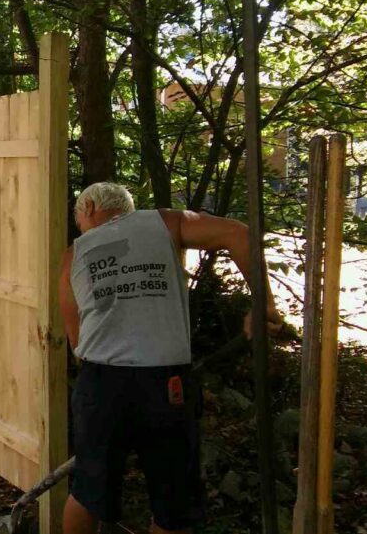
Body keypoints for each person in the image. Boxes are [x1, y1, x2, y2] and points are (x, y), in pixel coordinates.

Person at [58, 182, 282, 534]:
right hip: (166, 384)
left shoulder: (73, 255)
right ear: (126, 209)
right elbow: (238, 234)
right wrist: (263, 303)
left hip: (101, 383)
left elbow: (77, 341)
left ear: (86, 211)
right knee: (173, 503)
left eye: (78, 218)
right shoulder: (164, 223)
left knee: (88, 493)